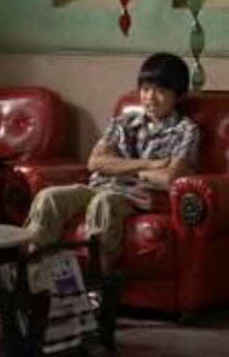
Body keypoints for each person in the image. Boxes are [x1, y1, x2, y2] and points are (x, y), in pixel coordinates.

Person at [25, 52, 200, 274]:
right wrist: (148, 165)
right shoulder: (124, 122)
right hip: (99, 186)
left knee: (104, 203)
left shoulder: (186, 131)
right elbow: (95, 162)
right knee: (48, 198)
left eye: (161, 91)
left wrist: (118, 166)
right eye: (145, 89)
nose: (150, 98)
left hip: (137, 197)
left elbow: (169, 177)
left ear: (179, 95)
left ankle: (101, 281)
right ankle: (35, 277)